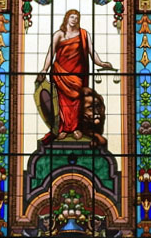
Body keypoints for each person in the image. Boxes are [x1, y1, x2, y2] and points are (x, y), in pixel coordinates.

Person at [35, 9, 113, 140]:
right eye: (72, 17)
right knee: (62, 102)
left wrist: (101, 63)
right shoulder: (59, 35)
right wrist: (44, 69)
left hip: (78, 75)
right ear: (67, 18)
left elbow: (91, 52)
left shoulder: (84, 34)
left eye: (76, 18)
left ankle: (76, 127)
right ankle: (64, 128)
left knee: (77, 100)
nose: (74, 20)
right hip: (61, 73)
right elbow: (51, 53)